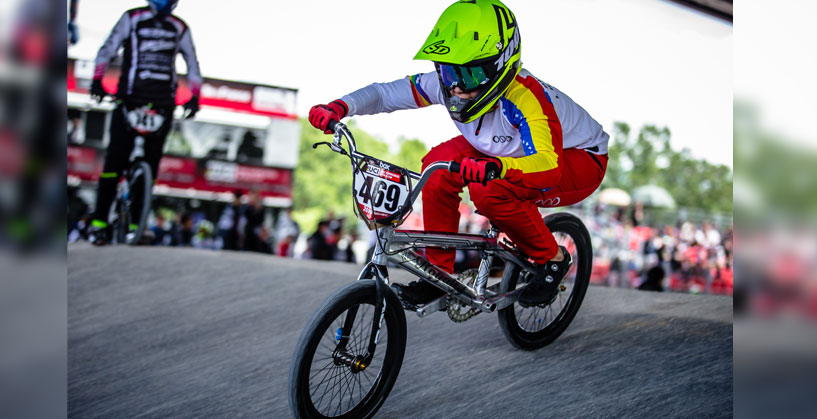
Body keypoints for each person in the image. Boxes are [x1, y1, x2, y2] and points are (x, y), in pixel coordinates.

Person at [308, 0, 609, 308]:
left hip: (578, 158)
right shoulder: (447, 83)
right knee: (436, 170)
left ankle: (553, 259)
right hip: (502, 146)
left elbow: (547, 167)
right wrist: (340, 106)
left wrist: (499, 167)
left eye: (468, 74)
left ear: (501, 65)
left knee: (488, 191)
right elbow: (385, 94)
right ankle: (438, 275)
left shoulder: (525, 98)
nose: (455, 87)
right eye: (448, 71)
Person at [87, 0, 202, 245]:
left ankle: (135, 225)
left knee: (151, 164)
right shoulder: (132, 17)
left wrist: (194, 98)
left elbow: (193, 65)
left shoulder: (179, 27)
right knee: (114, 163)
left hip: (163, 106)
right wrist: (97, 80)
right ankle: (99, 224)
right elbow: (108, 49)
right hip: (129, 101)